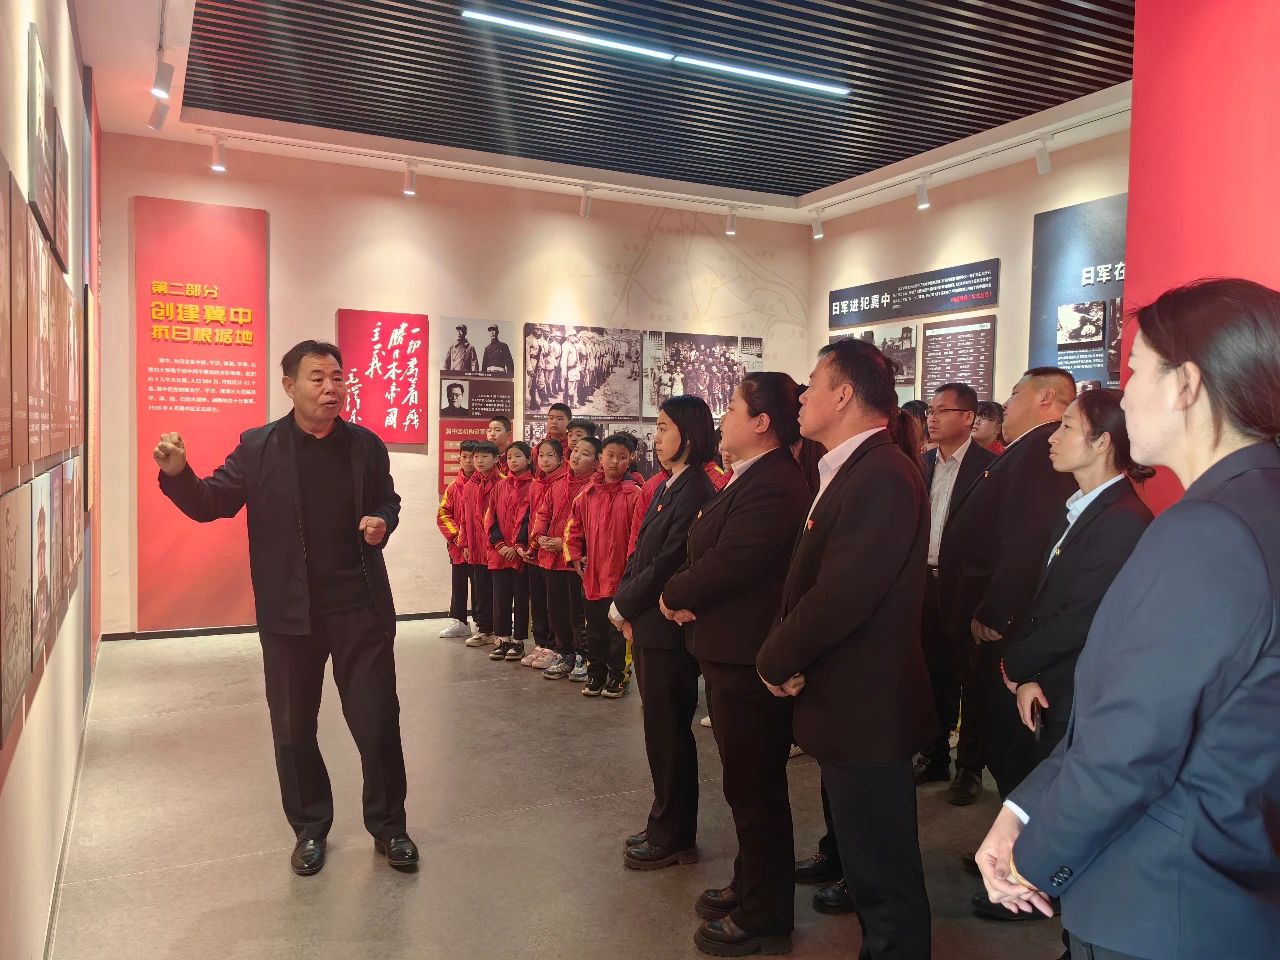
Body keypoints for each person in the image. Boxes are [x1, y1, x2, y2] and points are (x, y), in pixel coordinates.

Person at [978, 278, 1280, 960]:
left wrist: (1031, 857)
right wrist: (1024, 804)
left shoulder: (1209, 532)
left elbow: (1132, 745)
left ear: (1187, 385)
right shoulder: (1254, 505)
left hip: (1165, 902)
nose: (1126, 393)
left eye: (1137, 370)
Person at [152, 340, 417, 877]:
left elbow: (387, 498)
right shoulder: (259, 447)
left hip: (359, 606)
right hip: (289, 613)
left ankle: (390, 828)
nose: (331, 388)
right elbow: (213, 502)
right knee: (294, 729)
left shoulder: (365, 445)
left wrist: (382, 521)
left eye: (337, 377)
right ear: (289, 386)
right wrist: (179, 474)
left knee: (377, 723)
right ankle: (310, 828)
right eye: (317, 378)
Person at [755, 339, 935, 959]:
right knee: (868, 863)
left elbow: (841, 594)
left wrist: (775, 657)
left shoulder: (881, 474)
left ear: (843, 394)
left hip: (868, 708)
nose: (802, 396)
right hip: (849, 705)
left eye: (812, 383)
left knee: (883, 875)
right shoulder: (852, 468)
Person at [660, 375, 813, 955]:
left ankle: (766, 913)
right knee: (744, 783)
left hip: (749, 658)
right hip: (728, 652)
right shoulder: (753, 476)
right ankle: (750, 884)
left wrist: (675, 592)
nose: (722, 418)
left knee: (756, 789)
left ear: (761, 422)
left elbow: (731, 562)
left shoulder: (775, 483)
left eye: (731, 407)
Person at [938, 368, 1078, 807]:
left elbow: (1028, 539)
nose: (1006, 404)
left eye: (1015, 394)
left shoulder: (1042, 448)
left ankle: (1022, 835)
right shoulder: (1027, 448)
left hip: (1007, 624)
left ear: (1045, 398)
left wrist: (995, 611)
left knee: (1008, 736)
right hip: (996, 613)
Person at [1003, 390, 1153, 762]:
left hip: (1081, 696)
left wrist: (1017, 663)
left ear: (1102, 442)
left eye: (1067, 427)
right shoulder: (1079, 509)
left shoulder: (1122, 520)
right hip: (1052, 684)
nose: (1052, 438)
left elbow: (1081, 617)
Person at [611, 396, 718, 869]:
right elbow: (640, 552)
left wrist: (623, 604)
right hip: (649, 624)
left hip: (668, 630)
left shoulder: (695, 489)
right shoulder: (669, 484)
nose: (655, 437)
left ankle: (674, 835)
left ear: (689, 435)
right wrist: (624, 601)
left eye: (664, 427)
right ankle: (663, 821)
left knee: (669, 732)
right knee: (659, 730)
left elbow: (668, 561)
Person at [915, 383, 996, 785]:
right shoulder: (920, 464)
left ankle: (969, 768)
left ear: (968, 418)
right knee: (929, 673)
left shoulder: (991, 467)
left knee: (971, 678)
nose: (932, 418)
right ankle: (934, 756)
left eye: (941, 411)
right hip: (923, 584)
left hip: (967, 587)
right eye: (930, 411)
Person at [564, 435, 640, 697]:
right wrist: (575, 557)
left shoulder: (635, 495)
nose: (615, 461)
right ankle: (595, 674)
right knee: (594, 629)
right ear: (600, 458)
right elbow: (572, 529)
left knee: (618, 631)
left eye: (622, 457)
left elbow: (638, 538)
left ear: (630, 460)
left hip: (622, 577)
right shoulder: (587, 495)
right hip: (593, 577)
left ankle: (618, 676)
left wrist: (632, 572)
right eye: (610, 455)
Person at [531, 435, 597, 680]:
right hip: (551, 560)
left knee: (578, 613)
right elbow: (543, 513)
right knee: (556, 611)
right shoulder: (557, 484)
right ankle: (564, 652)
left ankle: (582, 655)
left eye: (585, 453)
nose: (577, 456)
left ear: (597, 461)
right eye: (575, 451)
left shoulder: (594, 488)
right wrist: (539, 536)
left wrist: (565, 544)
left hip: (576, 562)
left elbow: (591, 527)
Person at [487, 441, 535, 662]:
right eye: (509, 457)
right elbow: (490, 519)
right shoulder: (499, 487)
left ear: (529, 459)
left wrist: (517, 547)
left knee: (521, 597)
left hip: (522, 554)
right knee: (500, 597)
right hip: (500, 553)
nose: (513, 461)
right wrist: (500, 545)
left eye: (518, 456)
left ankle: (518, 641)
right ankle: (502, 638)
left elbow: (530, 520)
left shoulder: (534, 486)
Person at [520, 439, 566, 669]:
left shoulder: (563, 482)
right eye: (541, 456)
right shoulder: (536, 484)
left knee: (553, 604)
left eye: (550, 455)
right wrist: (527, 543)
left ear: (561, 459)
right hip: (535, 550)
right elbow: (529, 516)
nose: (545, 460)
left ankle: (554, 646)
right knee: (537, 600)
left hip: (555, 553)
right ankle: (541, 643)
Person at [460, 441, 501, 648]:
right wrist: (465, 544)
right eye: (476, 457)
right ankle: (484, 630)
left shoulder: (502, 483)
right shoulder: (469, 486)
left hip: (496, 548)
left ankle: (501, 631)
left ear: (496, 459)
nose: (479, 460)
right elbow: (464, 518)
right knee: (480, 589)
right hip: (476, 547)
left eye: (485, 456)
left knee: (499, 592)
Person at [436, 439, 478, 639]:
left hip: (480, 547)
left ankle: (483, 624)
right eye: (464, 457)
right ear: (459, 458)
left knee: (481, 586)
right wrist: (457, 537)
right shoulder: (453, 487)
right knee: (459, 584)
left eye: (472, 457)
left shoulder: (488, 484)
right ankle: (460, 622)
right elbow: (443, 514)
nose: (468, 461)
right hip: (458, 547)